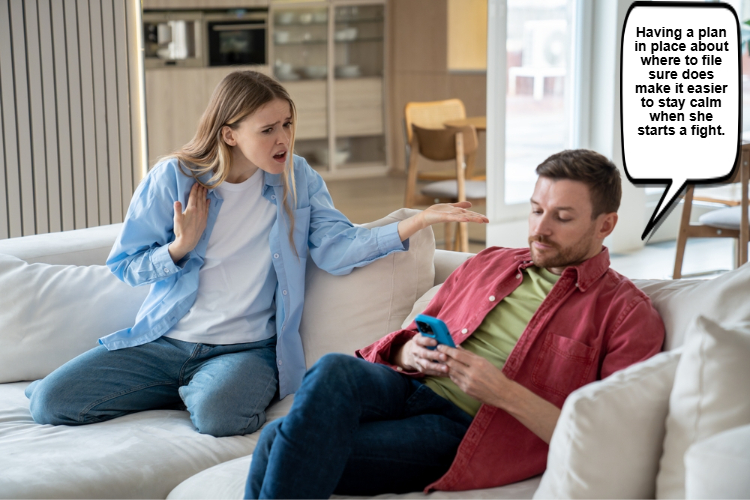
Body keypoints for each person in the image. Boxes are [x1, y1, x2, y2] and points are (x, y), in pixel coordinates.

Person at [24, 70, 488, 437]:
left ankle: (199, 389)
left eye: (287, 124)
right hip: (165, 342)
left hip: (245, 351)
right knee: (51, 402)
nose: (283, 139)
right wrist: (180, 247)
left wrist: (418, 220)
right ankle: (181, 386)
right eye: (268, 129)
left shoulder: (298, 178)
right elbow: (125, 266)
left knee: (221, 417)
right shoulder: (174, 178)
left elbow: (335, 249)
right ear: (229, 134)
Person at [245, 149, 666, 498]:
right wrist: (407, 350)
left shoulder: (627, 314)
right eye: (537, 211)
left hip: (462, 428)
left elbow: (609, 438)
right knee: (334, 369)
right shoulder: (491, 262)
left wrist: (501, 391)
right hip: (408, 384)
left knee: (274, 441)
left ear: (605, 225)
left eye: (563, 217)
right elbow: (416, 330)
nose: (540, 229)